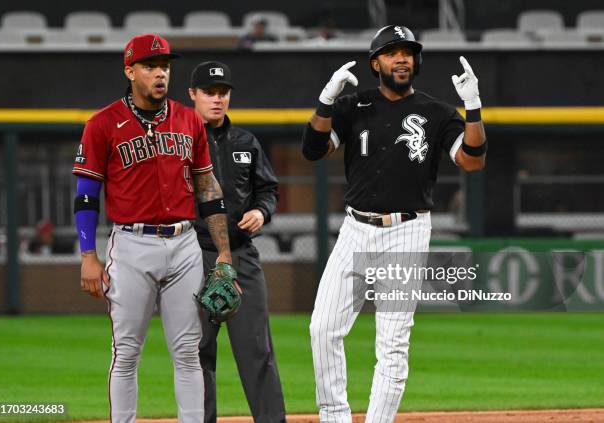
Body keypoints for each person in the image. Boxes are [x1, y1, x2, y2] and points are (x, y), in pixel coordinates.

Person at [302, 25, 487, 422]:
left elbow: (472, 160)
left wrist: (473, 107)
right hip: (356, 228)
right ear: (375, 63)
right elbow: (313, 150)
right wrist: (325, 101)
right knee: (323, 329)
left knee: (392, 343)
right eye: (391, 52)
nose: (401, 58)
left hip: (408, 228)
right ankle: (334, 416)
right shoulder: (354, 106)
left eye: (407, 52)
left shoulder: (438, 113)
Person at [73, 34, 232, 423]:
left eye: (164, 66)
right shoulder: (103, 124)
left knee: (188, 351)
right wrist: (88, 255)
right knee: (126, 352)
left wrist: (224, 253)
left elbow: (208, 188)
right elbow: (86, 195)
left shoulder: (189, 119)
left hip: (184, 244)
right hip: (130, 245)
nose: (160, 73)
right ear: (130, 71)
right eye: (150, 66)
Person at [188, 61, 286, 423]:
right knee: (197, 352)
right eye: (209, 93)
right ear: (193, 96)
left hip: (242, 256)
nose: (217, 99)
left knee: (257, 350)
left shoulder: (246, 142)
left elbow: (268, 189)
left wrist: (262, 211)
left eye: (223, 93)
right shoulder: (179, 141)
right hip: (193, 256)